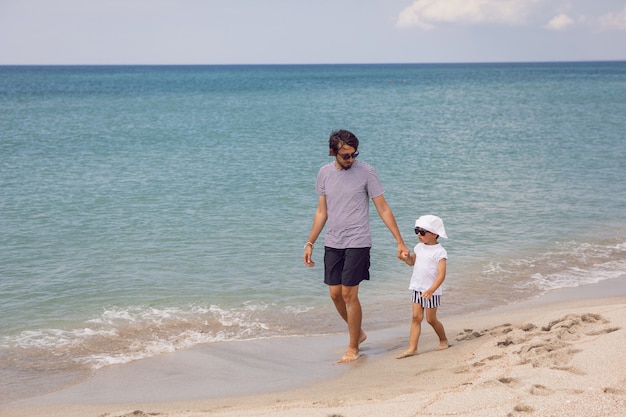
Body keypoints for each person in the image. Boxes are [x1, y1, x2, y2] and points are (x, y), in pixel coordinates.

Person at [303, 129, 409, 364]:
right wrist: (310, 242)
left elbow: (383, 207)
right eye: (345, 156)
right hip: (333, 241)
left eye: (353, 154)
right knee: (334, 294)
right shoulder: (324, 173)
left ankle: (353, 347)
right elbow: (322, 211)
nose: (351, 159)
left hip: (358, 241)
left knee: (349, 293)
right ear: (334, 152)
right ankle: (358, 332)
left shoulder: (367, 172)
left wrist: (399, 241)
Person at [396, 214, 449, 359]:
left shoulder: (440, 252)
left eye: (423, 232)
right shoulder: (419, 247)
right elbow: (413, 263)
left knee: (431, 319)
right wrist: (406, 258)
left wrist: (431, 290)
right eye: (417, 231)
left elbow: (441, 275)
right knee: (415, 317)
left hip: (431, 291)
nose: (419, 235)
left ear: (434, 234)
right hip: (417, 288)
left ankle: (443, 340)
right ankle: (413, 348)